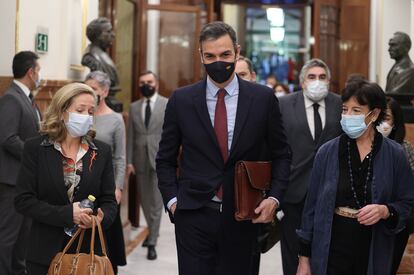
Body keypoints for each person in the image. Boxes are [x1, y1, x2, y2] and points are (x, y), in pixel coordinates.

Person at [156, 21, 291, 275]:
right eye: (211, 56)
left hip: (243, 215)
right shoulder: (181, 100)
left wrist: (274, 198)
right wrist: (173, 201)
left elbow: (282, 154)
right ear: (201, 55)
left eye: (225, 54)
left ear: (237, 52)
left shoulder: (262, 99)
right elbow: (165, 158)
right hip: (193, 214)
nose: (219, 62)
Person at [296, 79, 414, 275]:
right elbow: (311, 208)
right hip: (331, 244)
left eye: (356, 111)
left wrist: (385, 210)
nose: (348, 116)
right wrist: (304, 260)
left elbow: (408, 202)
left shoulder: (394, 154)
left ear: (374, 114)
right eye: (344, 109)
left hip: (373, 246)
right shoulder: (327, 152)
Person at [14, 83, 118, 274]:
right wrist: (66, 214)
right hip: (43, 252)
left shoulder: (101, 151)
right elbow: (23, 201)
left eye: (90, 111)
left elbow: (109, 200)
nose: (86, 116)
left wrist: (100, 219)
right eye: (80, 110)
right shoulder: (36, 148)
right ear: (62, 112)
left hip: (87, 254)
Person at [278, 58, 342, 275]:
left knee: (326, 252)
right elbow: (277, 147)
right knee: (292, 256)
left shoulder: (340, 104)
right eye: (312, 77)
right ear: (302, 81)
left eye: (322, 77)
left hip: (330, 191)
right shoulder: (284, 104)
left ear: (330, 81)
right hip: (293, 192)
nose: (317, 81)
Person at [0, 51, 42, 275]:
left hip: (25, 182)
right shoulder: (11, 98)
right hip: (11, 181)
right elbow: (8, 138)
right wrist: (36, 153)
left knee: (23, 238)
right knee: (8, 238)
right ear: (31, 72)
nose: (40, 75)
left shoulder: (28, 99)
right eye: (39, 70)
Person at [85, 71, 127, 273]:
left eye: (93, 89)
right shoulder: (82, 115)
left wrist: (118, 187)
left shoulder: (116, 120)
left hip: (106, 186)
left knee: (107, 238)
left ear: (105, 91)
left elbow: (120, 157)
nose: (90, 93)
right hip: (83, 183)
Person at [127, 70, 168, 260]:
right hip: (139, 160)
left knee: (156, 203)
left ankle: (152, 241)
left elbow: (172, 134)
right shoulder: (134, 107)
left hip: (160, 159)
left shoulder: (167, 104)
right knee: (144, 200)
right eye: (142, 82)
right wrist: (129, 161)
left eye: (149, 81)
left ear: (156, 83)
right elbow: (130, 137)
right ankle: (152, 231)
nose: (146, 85)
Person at [376, 97, 414, 274]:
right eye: (380, 116)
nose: (383, 122)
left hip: (396, 223)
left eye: (388, 118)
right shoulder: (364, 146)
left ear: (396, 121)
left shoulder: (405, 150)